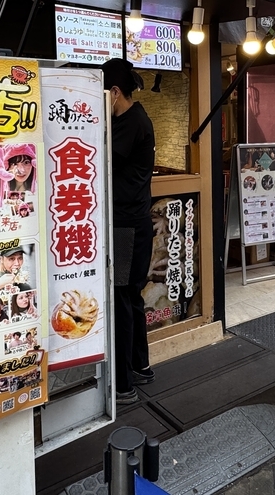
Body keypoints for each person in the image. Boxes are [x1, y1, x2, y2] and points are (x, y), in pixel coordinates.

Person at [102, 58, 156, 404]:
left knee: (122, 298)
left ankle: (123, 385)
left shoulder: (128, 124)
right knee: (131, 296)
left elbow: (100, 156)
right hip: (135, 224)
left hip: (125, 227)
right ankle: (141, 366)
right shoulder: (136, 118)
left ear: (115, 92)